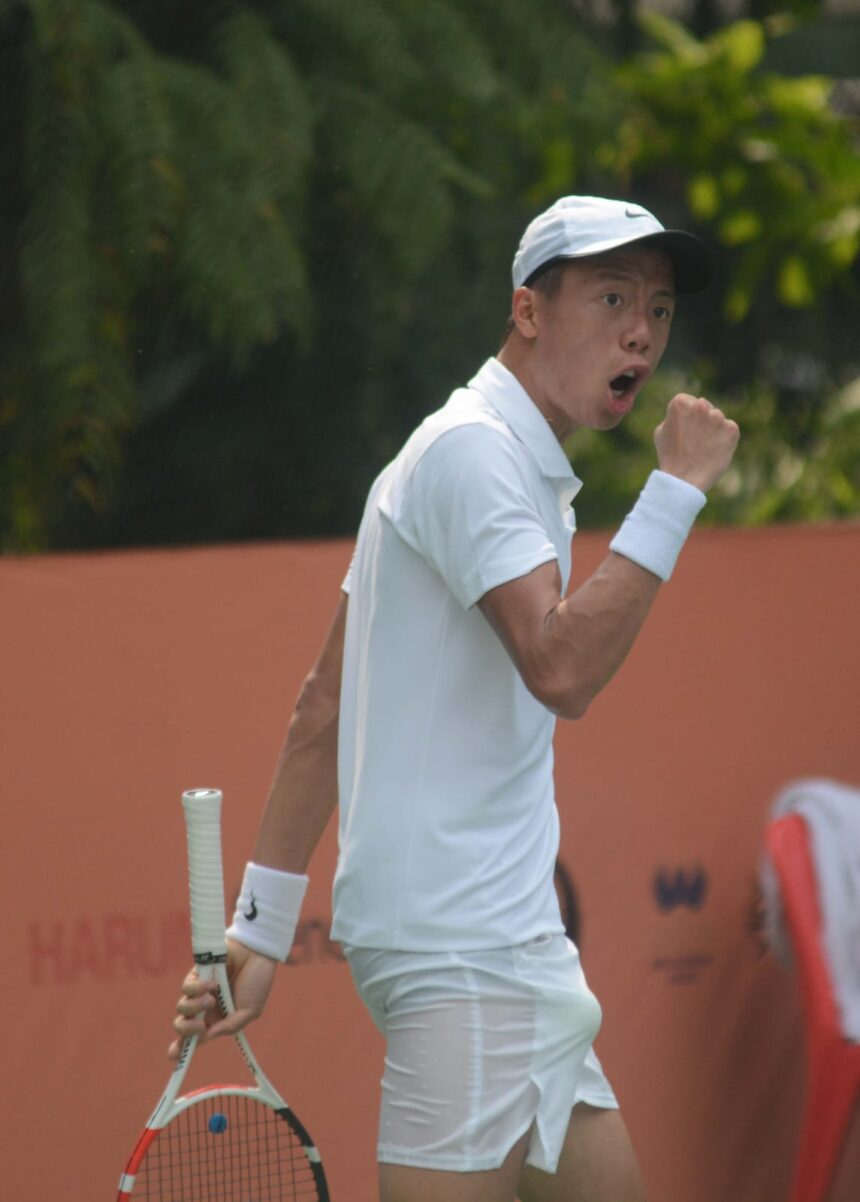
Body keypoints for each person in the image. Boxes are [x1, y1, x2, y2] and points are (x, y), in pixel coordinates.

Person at [171, 195, 740, 1202]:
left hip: (507, 951)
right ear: (527, 310)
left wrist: (256, 933)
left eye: (655, 307)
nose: (640, 330)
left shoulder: (465, 453)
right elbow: (559, 668)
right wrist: (675, 492)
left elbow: (322, 705)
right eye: (610, 297)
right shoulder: (471, 454)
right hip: (464, 956)